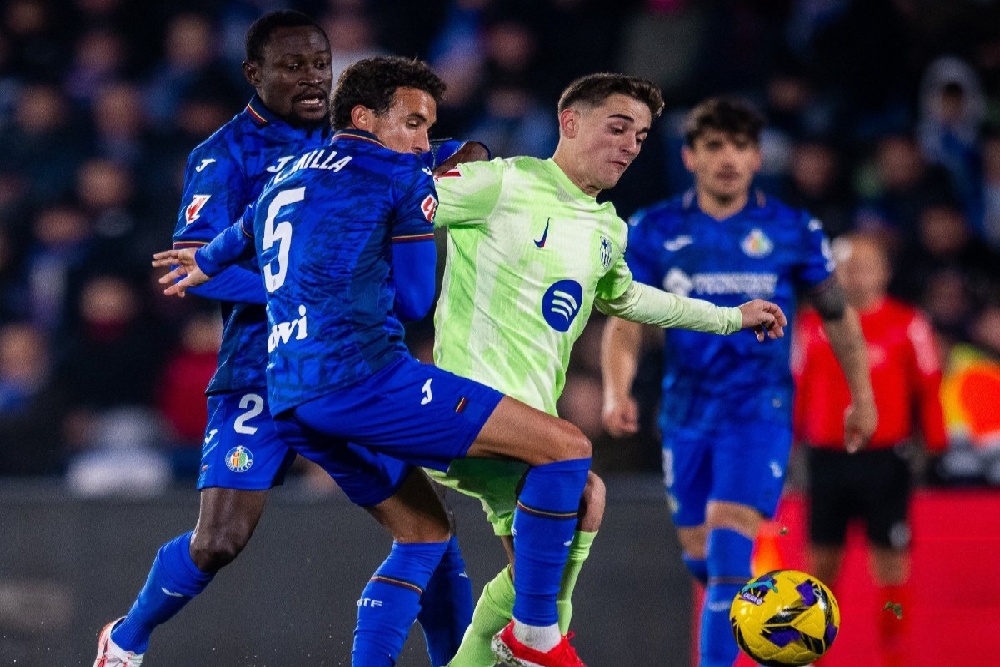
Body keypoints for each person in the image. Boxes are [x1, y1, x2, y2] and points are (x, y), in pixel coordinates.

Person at [156, 55, 603, 667]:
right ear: (365, 117)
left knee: (423, 535)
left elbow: (240, 234)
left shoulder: (288, 173)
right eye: (414, 124)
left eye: (429, 128)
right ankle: (535, 634)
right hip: (366, 382)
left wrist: (203, 262)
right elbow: (417, 299)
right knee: (568, 448)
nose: (423, 141)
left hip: (290, 399)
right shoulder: (403, 183)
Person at [95, 13, 473, 667]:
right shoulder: (224, 155)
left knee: (428, 528)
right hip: (257, 369)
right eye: (294, 66)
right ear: (254, 74)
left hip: (350, 365)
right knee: (219, 538)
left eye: (321, 65)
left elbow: (433, 156)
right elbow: (195, 265)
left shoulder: (357, 139)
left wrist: (467, 155)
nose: (311, 77)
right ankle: (125, 638)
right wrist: (308, 286)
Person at [428, 74, 787, 667]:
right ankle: (540, 641)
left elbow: (636, 300)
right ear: (569, 121)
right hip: (465, 407)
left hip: (523, 422)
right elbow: (398, 206)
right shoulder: (501, 183)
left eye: (641, 136)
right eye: (617, 127)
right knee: (573, 470)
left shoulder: (606, 227)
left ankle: (521, 643)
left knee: (569, 527)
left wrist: (729, 317)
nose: (629, 144)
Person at [601, 97, 878, 667]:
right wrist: (616, 389)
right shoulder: (654, 229)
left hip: (760, 409)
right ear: (690, 157)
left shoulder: (792, 229)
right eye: (714, 146)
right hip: (684, 412)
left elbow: (837, 315)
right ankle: (762, 608)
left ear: (756, 158)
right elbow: (625, 319)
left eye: (740, 146)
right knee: (703, 560)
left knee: (728, 556)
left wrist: (862, 396)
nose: (728, 157)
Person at [793, 232, 947, 667]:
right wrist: (786, 450)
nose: (853, 275)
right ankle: (813, 654)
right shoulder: (810, 325)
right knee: (820, 567)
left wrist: (935, 449)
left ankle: (892, 652)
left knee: (891, 568)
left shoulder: (908, 323)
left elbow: (928, 388)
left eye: (863, 266)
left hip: (885, 461)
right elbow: (797, 388)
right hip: (826, 459)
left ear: (884, 271)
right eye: (844, 267)